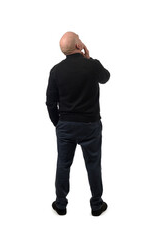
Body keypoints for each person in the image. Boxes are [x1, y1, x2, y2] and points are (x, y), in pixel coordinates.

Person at [46, 32, 110, 217]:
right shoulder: (91, 66)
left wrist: (58, 124)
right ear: (77, 46)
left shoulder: (56, 70)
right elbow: (105, 77)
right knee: (93, 165)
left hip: (65, 125)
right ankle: (97, 205)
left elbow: (50, 102)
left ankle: (60, 204)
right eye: (80, 38)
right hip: (90, 125)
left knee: (63, 164)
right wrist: (90, 58)